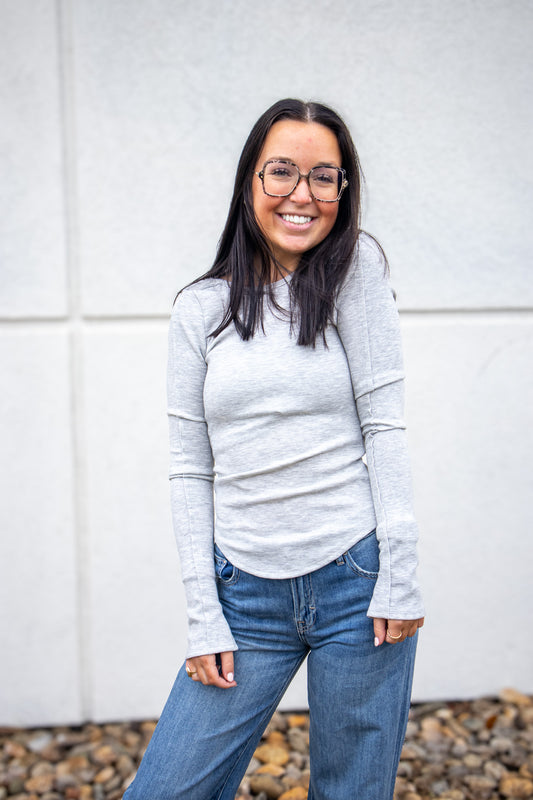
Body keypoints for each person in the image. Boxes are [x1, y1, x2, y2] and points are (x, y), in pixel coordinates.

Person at [123, 98, 425, 800]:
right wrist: (203, 613)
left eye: (324, 176)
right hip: (243, 596)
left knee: (350, 790)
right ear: (249, 181)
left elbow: (384, 425)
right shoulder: (200, 308)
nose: (302, 194)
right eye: (282, 171)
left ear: (343, 189)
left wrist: (400, 571)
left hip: (355, 581)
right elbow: (189, 468)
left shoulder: (354, 270)